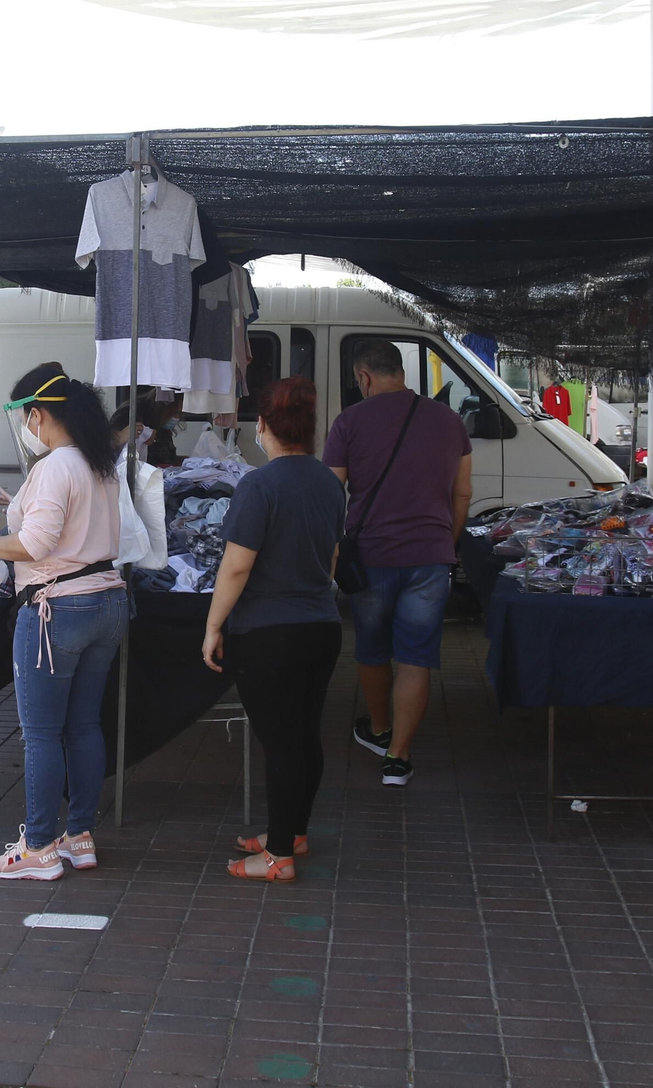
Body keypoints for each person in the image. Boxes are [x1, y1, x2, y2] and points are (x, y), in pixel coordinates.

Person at [0, 364, 126, 881]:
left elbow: (34, 545)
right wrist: (19, 508)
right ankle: (79, 836)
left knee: (43, 734)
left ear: (38, 416)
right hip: (106, 603)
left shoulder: (56, 466)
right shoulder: (98, 463)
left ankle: (39, 847)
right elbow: (70, 529)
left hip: (57, 608)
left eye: (28, 418)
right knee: (84, 726)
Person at [202, 378, 347, 883]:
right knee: (304, 735)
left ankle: (279, 855)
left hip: (269, 633)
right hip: (322, 625)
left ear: (262, 426)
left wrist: (213, 626)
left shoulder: (259, 485)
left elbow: (236, 566)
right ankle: (293, 832)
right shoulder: (329, 483)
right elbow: (332, 558)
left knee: (281, 742)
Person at [324, 338, 473, 788]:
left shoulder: (349, 421)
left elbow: (331, 494)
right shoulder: (449, 421)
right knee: (415, 657)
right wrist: (446, 542)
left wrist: (331, 550)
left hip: (372, 556)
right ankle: (398, 758)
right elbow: (462, 493)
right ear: (401, 372)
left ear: (364, 377)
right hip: (430, 556)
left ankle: (380, 728)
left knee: (371, 650)